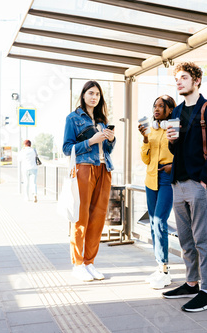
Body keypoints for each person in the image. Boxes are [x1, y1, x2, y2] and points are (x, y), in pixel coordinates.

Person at [163, 62, 207, 312]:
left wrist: (205, 180)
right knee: (185, 238)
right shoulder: (177, 113)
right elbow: (176, 149)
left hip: (198, 183)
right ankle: (192, 282)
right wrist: (172, 142)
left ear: (196, 81)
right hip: (178, 182)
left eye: (183, 77)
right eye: (177, 79)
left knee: (202, 239)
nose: (179, 82)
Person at [62, 80, 116, 282]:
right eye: (91, 93)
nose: (94, 97)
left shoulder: (102, 120)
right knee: (81, 217)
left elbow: (108, 150)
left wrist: (110, 139)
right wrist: (91, 141)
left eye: (97, 94)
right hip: (84, 169)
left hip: (104, 169)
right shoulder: (73, 118)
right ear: (83, 95)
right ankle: (77, 264)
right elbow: (67, 148)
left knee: (98, 218)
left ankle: (89, 262)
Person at [139, 95, 176, 289]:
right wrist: (145, 139)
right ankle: (160, 266)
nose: (157, 108)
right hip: (151, 178)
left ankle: (165, 269)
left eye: (161, 106)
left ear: (170, 110)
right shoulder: (151, 131)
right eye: (155, 106)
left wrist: (173, 165)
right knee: (153, 222)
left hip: (167, 179)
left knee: (160, 220)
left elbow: (183, 152)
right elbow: (145, 159)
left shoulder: (174, 128)